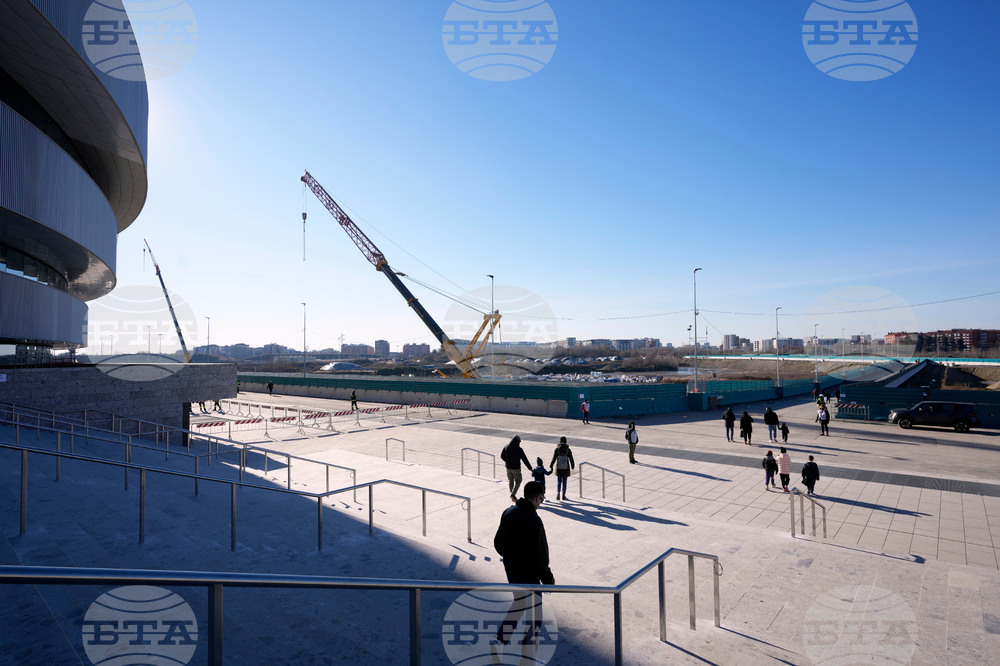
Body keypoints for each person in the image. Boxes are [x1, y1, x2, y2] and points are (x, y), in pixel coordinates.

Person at [490, 481, 555, 661]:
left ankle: (499, 641)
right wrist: (548, 580)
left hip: (512, 571)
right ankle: (526, 657)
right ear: (536, 498)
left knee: (519, 604)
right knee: (535, 617)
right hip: (530, 576)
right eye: (541, 498)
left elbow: (497, 542)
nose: (541, 502)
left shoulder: (509, 512)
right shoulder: (534, 520)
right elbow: (541, 555)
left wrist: (511, 558)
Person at [501, 436, 532, 502]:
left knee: (511, 480)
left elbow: (502, 456)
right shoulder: (519, 449)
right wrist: (530, 468)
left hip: (508, 467)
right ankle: (513, 494)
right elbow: (524, 459)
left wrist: (507, 462)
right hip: (516, 468)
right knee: (518, 480)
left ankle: (511, 494)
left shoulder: (506, 446)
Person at [549, 436, 575, 501]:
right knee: (565, 481)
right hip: (566, 468)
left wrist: (551, 465)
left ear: (560, 441)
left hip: (559, 468)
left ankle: (558, 493)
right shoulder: (568, 450)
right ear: (566, 441)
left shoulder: (557, 449)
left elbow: (554, 458)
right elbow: (571, 459)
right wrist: (572, 466)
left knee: (559, 481)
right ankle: (563, 494)